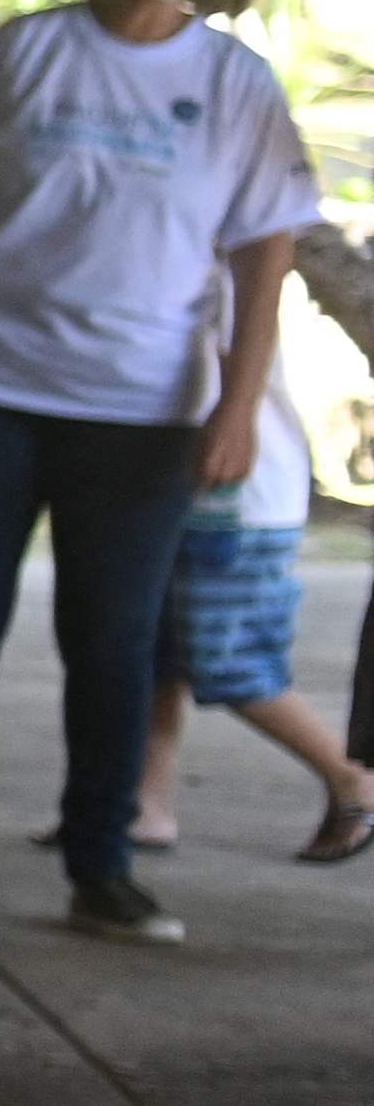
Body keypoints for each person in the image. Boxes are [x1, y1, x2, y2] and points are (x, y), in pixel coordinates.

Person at [0, 0, 322, 938]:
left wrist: (237, 407)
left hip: (141, 414)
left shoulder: (236, 87)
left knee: (115, 640)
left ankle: (103, 863)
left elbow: (262, 268)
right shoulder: (25, 53)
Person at [133, 369, 367, 863]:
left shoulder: (227, 288)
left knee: (231, 664)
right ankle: (147, 803)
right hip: (181, 488)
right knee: (158, 652)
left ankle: (353, 779)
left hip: (235, 499)